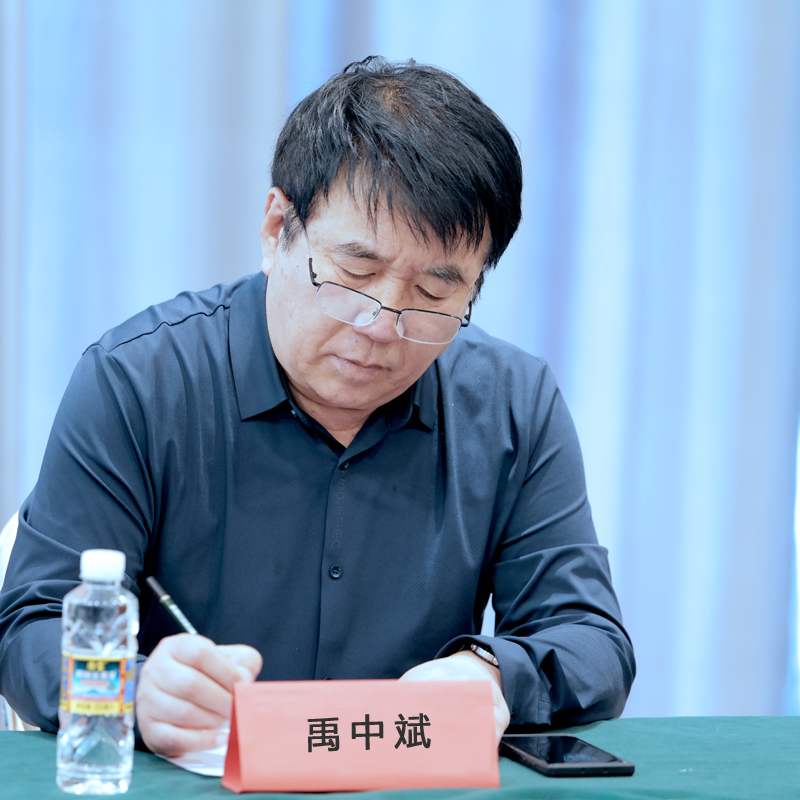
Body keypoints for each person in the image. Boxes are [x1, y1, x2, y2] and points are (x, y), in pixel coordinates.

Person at [0, 57, 634, 756]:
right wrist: (136, 687)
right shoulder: (140, 383)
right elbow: (31, 627)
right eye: (356, 272)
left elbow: (591, 642)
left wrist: (489, 672)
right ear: (278, 229)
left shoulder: (511, 405)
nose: (382, 324)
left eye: (433, 293)